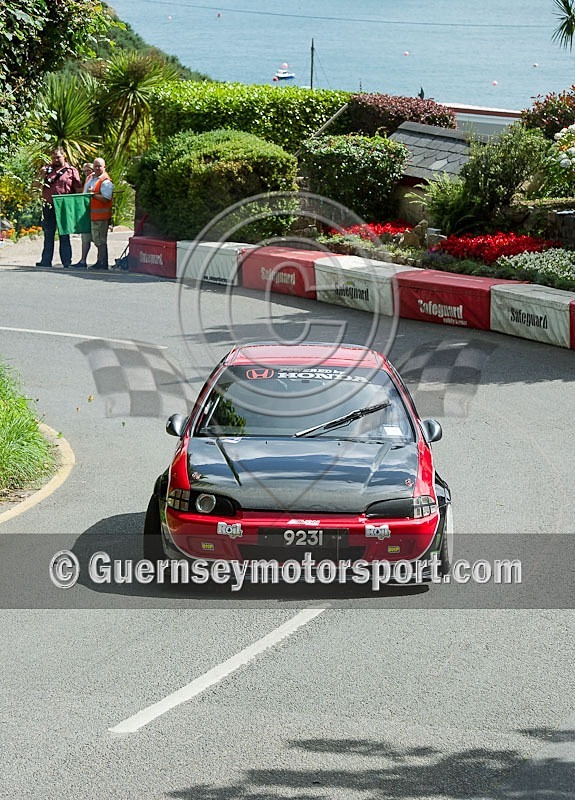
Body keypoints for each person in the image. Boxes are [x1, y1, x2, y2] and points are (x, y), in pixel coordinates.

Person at [35, 147, 82, 268]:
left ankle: (66, 262)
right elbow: (35, 186)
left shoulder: (71, 171)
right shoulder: (47, 170)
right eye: (53, 157)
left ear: (64, 156)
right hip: (49, 205)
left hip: (64, 206)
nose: (56, 159)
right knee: (48, 234)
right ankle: (46, 261)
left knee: (64, 234)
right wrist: (41, 174)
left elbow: (78, 190)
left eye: (58, 157)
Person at [87, 157, 114, 270]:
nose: (97, 168)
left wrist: (93, 194)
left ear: (104, 167)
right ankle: (100, 261)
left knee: (101, 240)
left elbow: (106, 198)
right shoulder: (92, 178)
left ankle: (102, 263)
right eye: (95, 166)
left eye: (99, 166)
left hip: (102, 216)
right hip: (93, 215)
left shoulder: (106, 181)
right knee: (97, 240)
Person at [72, 162, 95, 269]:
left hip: (94, 212)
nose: (87, 173)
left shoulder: (96, 179)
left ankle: (101, 261)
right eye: (85, 171)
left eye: (88, 170)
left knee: (98, 239)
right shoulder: (87, 180)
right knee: (85, 238)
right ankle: (83, 260)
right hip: (86, 212)